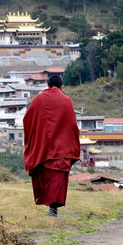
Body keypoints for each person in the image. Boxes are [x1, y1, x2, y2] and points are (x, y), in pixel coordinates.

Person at [23, 76, 81, 217]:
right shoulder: (66, 100)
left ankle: (51, 206)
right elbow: (72, 125)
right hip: (62, 148)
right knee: (58, 177)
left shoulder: (38, 99)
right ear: (61, 87)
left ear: (48, 85)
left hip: (44, 148)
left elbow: (27, 120)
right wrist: (72, 144)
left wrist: (37, 138)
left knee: (47, 176)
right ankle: (53, 208)